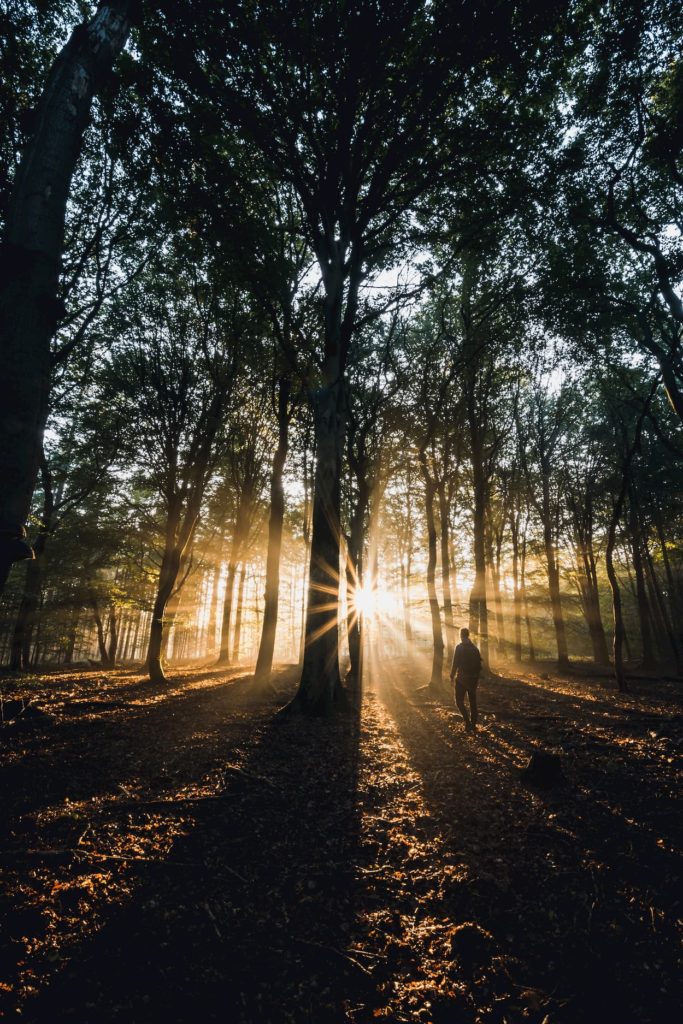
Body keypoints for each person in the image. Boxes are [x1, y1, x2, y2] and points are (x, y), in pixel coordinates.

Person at [450, 627, 482, 733]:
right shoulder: (475, 648)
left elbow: (455, 663)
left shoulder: (459, 647)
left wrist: (451, 676)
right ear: (468, 635)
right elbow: (479, 666)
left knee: (459, 701)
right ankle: (473, 725)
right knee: (473, 702)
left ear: (461, 635)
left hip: (461, 679)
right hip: (473, 679)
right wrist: (476, 677)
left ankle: (467, 723)